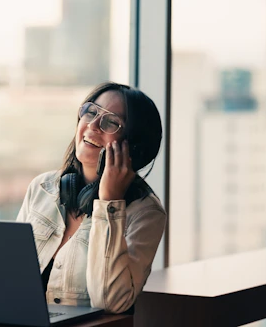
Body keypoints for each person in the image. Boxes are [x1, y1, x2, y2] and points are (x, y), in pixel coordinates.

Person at [16, 82, 167, 314]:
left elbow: (110, 302)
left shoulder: (145, 214)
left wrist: (109, 203)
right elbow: (9, 274)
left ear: (133, 147)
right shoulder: (42, 188)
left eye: (112, 122)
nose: (93, 125)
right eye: (92, 112)